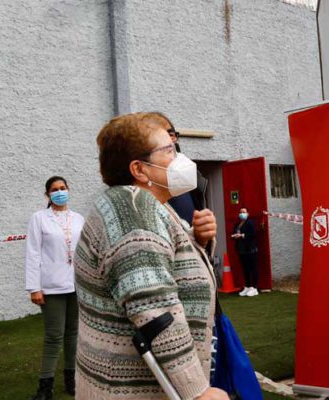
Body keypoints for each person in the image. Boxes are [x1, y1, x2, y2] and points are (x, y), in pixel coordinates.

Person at [74, 112, 228, 400]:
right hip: (130, 389)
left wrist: (199, 240)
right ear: (139, 169)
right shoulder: (134, 216)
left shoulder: (149, 205)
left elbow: (166, 266)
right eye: (168, 149)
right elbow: (156, 311)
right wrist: (198, 392)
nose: (179, 155)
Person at [25, 176, 85, 399]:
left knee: (73, 334)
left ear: (68, 190)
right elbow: (33, 253)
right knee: (53, 335)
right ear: (47, 195)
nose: (59, 192)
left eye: (63, 188)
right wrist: (34, 287)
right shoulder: (39, 219)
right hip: (51, 287)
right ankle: (45, 387)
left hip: (76, 285)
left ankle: (72, 380)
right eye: (54, 189)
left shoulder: (79, 218)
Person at [164, 121, 209, 226]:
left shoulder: (191, 173)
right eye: (163, 136)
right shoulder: (149, 180)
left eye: (171, 135)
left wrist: (201, 237)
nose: (169, 140)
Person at [231, 207, 259, 297]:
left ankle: (254, 288)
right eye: (240, 212)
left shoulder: (250, 223)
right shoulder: (238, 224)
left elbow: (253, 234)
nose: (242, 213)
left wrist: (242, 235)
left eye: (244, 212)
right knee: (245, 269)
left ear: (247, 213)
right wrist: (234, 236)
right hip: (241, 250)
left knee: (252, 268)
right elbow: (233, 233)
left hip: (250, 250)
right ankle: (247, 287)